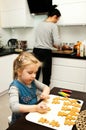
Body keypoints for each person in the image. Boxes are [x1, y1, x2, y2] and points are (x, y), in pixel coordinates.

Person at [8, 51, 50, 125]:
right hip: (19, 122)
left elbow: (46, 87)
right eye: (30, 72)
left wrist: (45, 93)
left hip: (32, 116)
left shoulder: (33, 81)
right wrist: (36, 108)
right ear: (19, 72)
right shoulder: (14, 87)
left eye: (35, 72)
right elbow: (14, 107)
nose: (34, 76)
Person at [33, 5, 61, 86]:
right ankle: (45, 95)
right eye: (58, 19)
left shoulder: (39, 24)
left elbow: (42, 38)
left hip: (36, 51)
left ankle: (31, 94)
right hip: (45, 52)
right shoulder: (53, 25)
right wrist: (59, 45)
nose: (57, 21)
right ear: (55, 16)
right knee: (46, 76)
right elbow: (57, 43)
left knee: (34, 74)